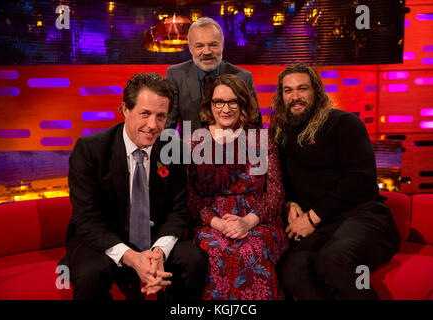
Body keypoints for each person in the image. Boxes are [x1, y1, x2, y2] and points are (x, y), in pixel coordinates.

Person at [63, 72, 207, 300]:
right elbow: (86, 219)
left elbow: (179, 211)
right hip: (103, 238)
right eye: (145, 114)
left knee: (194, 260)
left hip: (155, 237)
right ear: (125, 110)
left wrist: (159, 252)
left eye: (161, 116)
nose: (153, 125)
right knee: (91, 275)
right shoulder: (90, 149)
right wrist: (132, 258)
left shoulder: (174, 149)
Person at [269, 63, 400, 300]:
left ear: (317, 91)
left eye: (302, 89)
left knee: (333, 259)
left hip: (364, 217)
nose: (295, 97)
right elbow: (278, 180)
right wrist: (288, 202)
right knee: (292, 271)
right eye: (288, 91)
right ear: (281, 96)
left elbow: (360, 179)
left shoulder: (344, 123)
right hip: (323, 226)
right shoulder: (279, 133)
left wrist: (311, 217)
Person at [186, 74, 288, 300]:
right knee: (216, 248)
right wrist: (219, 223)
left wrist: (248, 221)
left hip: (258, 219)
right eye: (218, 102)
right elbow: (192, 196)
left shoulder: (261, 139)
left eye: (233, 101)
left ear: (243, 103)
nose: (226, 108)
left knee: (253, 246)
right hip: (211, 220)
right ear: (209, 105)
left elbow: (275, 192)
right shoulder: (192, 141)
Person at [165, 17, 262, 133]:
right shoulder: (176, 75)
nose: (207, 52)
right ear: (190, 48)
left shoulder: (243, 77)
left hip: (233, 148)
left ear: (222, 45)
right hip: (189, 149)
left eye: (213, 45)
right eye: (199, 46)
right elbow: (167, 127)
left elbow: (255, 127)